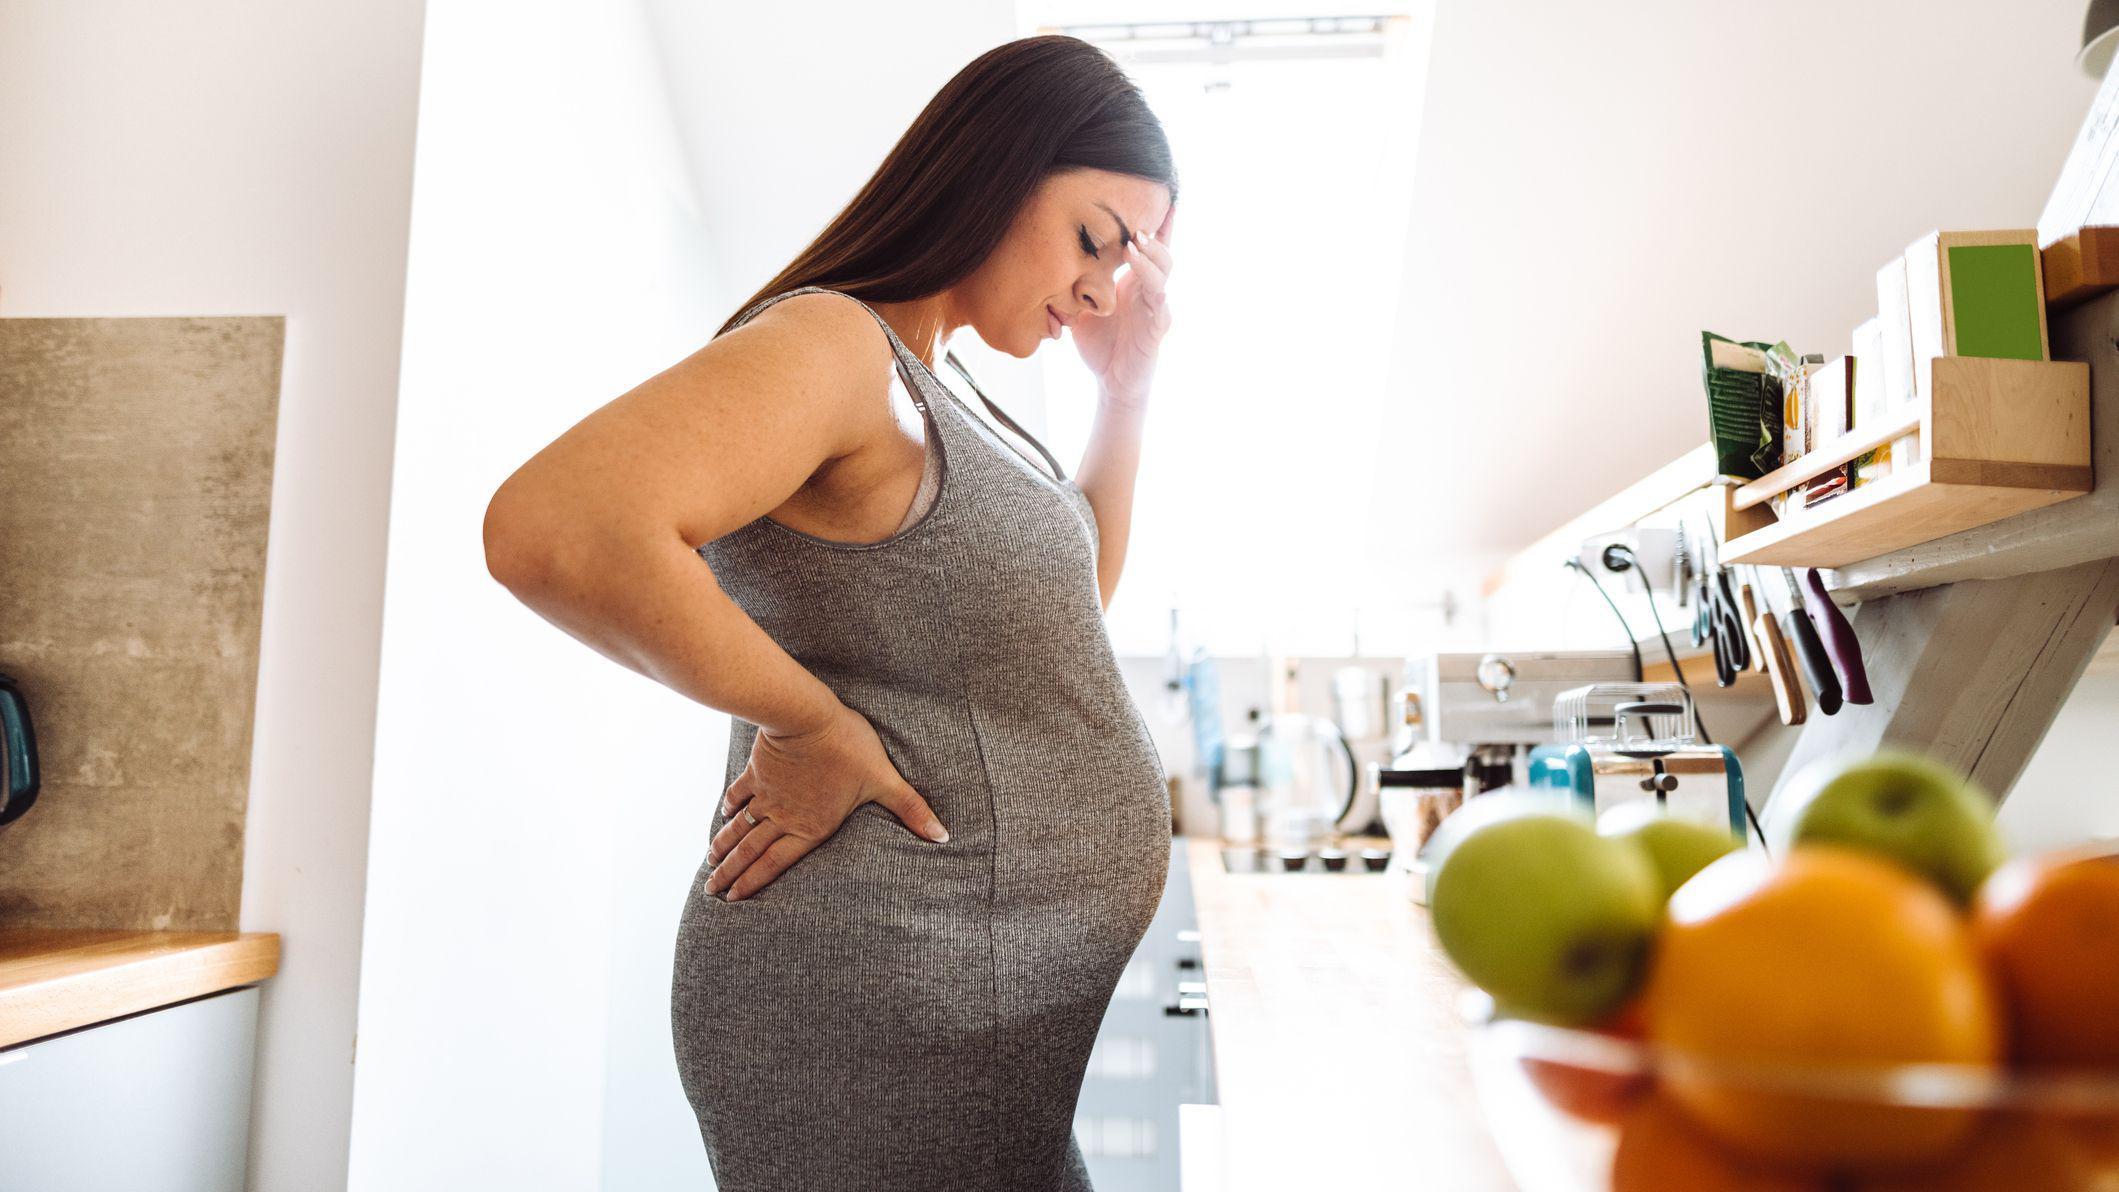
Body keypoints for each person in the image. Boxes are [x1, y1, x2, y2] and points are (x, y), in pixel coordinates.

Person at [481, 32, 1180, 1191]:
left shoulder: (940, 382)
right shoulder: (835, 346)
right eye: (1095, 236)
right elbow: (551, 528)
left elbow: (1065, 614)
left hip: (978, 1019)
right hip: (873, 1015)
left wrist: (1129, 389)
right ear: (995, 169)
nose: (1108, 283)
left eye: (1138, 257)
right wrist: (809, 722)